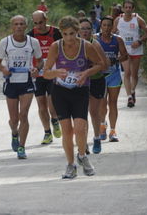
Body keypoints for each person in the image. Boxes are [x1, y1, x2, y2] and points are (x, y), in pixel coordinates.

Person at [43, 16, 105, 179]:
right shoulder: (56, 47)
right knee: (67, 131)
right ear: (61, 34)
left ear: (77, 32)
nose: (69, 38)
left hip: (80, 91)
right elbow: (46, 72)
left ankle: (82, 156)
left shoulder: (87, 46)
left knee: (80, 128)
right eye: (65, 34)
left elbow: (100, 64)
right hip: (60, 92)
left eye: (72, 34)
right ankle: (70, 165)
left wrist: (86, 73)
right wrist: (56, 72)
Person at [0, 15, 43, 159]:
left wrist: (36, 69)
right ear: (12, 27)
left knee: (24, 115)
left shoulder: (33, 42)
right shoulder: (5, 42)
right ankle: (14, 133)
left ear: (26, 26)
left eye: (22, 24)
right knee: (14, 119)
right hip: (11, 82)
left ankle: (22, 147)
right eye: (16, 24)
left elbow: (40, 61)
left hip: (27, 82)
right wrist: (3, 69)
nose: (19, 27)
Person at [27, 10, 62, 144]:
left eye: (40, 22)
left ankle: (54, 119)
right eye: (35, 23)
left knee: (51, 103)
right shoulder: (30, 35)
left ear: (46, 20)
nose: (38, 26)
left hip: (53, 73)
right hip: (38, 74)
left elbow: (64, 50)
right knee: (41, 105)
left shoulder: (56, 32)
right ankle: (47, 133)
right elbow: (27, 54)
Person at [113, 0, 147, 108]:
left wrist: (139, 41)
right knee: (127, 72)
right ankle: (129, 96)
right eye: (126, 7)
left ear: (133, 9)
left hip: (136, 49)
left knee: (134, 74)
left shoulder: (137, 19)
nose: (128, 9)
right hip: (123, 50)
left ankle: (133, 90)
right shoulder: (118, 20)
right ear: (123, 8)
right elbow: (112, 34)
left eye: (130, 7)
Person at [79, 18, 109, 153]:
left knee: (94, 112)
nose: (85, 31)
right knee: (81, 113)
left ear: (92, 30)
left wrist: (91, 66)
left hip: (96, 80)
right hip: (80, 82)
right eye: (82, 29)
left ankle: (97, 138)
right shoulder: (74, 44)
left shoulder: (95, 44)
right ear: (77, 30)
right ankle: (83, 142)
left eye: (87, 29)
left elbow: (105, 64)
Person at [97, 16, 128, 142]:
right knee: (102, 104)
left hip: (114, 74)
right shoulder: (95, 39)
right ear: (101, 26)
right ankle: (102, 125)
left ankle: (113, 131)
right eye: (104, 25)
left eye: (109, 25)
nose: (106, 28)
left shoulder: (118, 40)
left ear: (112, 27)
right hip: (100, 75)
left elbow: (125, 55)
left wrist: (115, 60)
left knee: (113, 103)